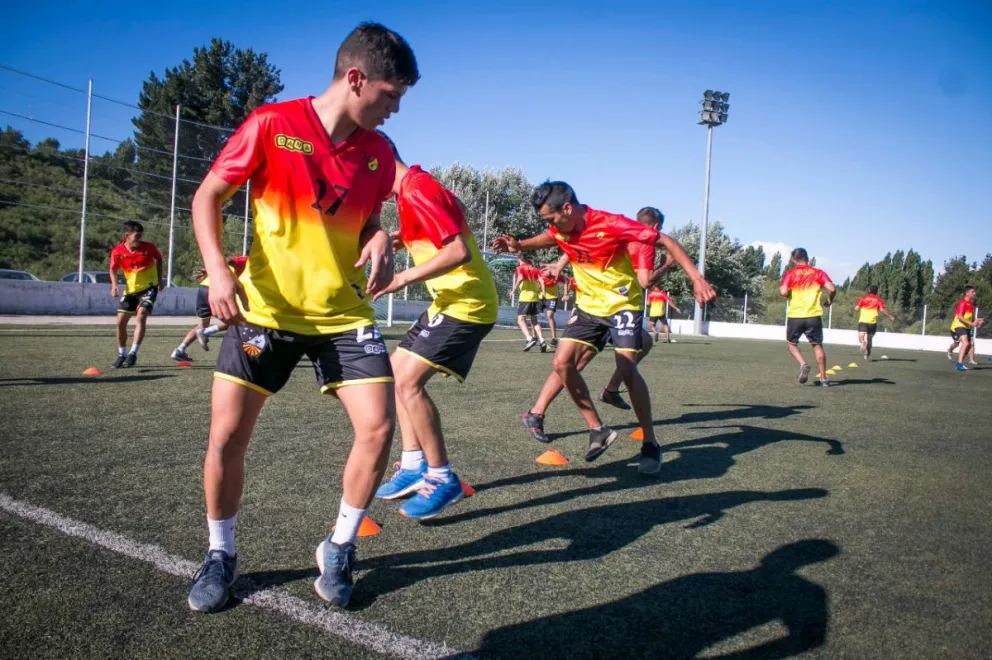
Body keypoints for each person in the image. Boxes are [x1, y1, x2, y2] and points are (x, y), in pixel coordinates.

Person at [185, 21, 419, 613]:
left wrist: (381, 233)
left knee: (378, 427)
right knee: (227, 437)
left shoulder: (380, 152)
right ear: (357, 78)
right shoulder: (272, 125)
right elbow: (207, 195)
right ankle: (220, 553)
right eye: (391, 95)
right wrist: (217, 269)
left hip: (342, 314)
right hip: (266, 310)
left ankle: (339, 548)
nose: (395, 109)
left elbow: (361, 216)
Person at [493, 181, 715, 475]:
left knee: (626, 368)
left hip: (622, 306)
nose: (550, 225)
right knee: (561, 362)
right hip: (588, 308)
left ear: (568, 209)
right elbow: (549, 237)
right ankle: (597, 429)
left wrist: (697, 279)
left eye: (550, 217)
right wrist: (520, 245)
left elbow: (668, 243)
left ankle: (650, 443)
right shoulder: (561, 227)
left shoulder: (612, 224)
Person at [370, 133, 497, 519]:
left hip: (468, 305)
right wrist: (403, 236)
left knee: (408, 384)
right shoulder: (415, 190)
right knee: (396, 375)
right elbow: (455, 211)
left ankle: (442, 477)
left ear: (378, 160)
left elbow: (457, 250)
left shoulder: (418, 189)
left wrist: (400, 279)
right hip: (451, 301)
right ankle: (413, 467)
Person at [109, 220, 165, 369]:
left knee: (141, 315)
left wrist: (160, 279)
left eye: (141, 236)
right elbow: (113, 269)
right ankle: (122, 354)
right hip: (130, 290)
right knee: (120, 323)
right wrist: (114, 285)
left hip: (149, 288)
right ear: (126, 235)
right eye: (136, 236)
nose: (139, 239)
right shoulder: (118, 251)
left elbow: (159, 259)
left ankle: (133, 353)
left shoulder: (149, 247)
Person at [171, 255, 249, 362]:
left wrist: (208, 270)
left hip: (204, 288)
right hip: (216, 289)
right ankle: (206, 332)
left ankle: (180, 350)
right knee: (235, 320)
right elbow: (228, 260)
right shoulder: (247, 260)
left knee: (202, 325)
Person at [780, 248, 836, 386]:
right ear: (807, 258)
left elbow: (783, 292)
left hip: (795, 315)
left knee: (792, 344)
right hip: (813, 315)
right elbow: (832, 288)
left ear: (793, 259)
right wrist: (829, 300)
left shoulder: (790, 273)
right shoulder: (818, 273)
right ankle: (823, 379)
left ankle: (803, 363)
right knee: (817, 346)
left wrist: (789, 293)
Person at [513, 255, 547, 352]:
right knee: (534, 320)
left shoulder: (520, 268)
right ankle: (542, 340)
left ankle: (529, 338)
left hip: (525, 297)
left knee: (520, 319)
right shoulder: (535, 269)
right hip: (535, 297)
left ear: (519, 259)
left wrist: (513, 290)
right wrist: (543, 293)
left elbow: (520, 278)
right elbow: (541, 281)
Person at [947, 285, 984, 371]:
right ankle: (959, 364)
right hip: (958, 326)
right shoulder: (962, 303)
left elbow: (970, 318)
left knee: (968, 345)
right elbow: (960, 316)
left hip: (966, 327)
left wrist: (977, 321)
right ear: (967, 293)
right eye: (973, 292)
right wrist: (972, 323)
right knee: (965, 343)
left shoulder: (971, 304)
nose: (974, 293)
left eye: (974, 292)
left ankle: (959, 364)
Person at [854, 285, 895, 360]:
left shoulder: (863, 298)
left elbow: (856, 308)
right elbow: (882, 310)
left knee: (861, 337)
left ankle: (863, 342)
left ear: (869, 290)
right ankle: (868, 354)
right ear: (876, 291)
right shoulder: (879, 300)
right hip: (872, 322)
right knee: (869, 339)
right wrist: (891, 316)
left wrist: (861, 307)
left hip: (863, 320)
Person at [540, 269, 566, 348]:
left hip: (552, 297)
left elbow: (565, 281)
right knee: (534, 316)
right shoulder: (540, 275)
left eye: (549, 270)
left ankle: (554, 338)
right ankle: (537, 337)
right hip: (541, 297)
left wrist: (565, 294)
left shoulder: (555, 276)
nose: (549, 272)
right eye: (546, 270)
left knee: (549, 315)